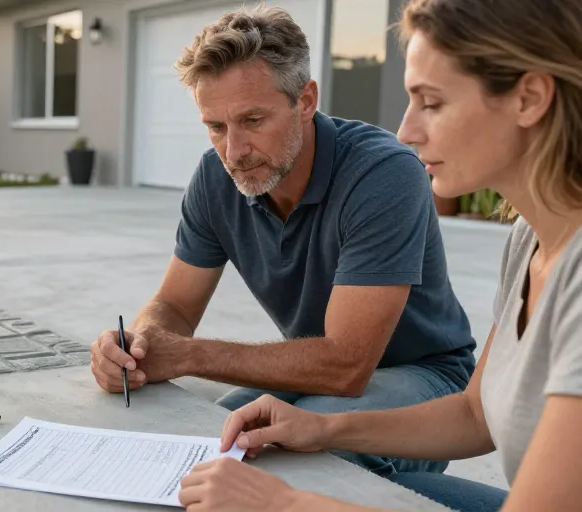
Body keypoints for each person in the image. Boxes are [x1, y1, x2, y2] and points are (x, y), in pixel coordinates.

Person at [177, 0, 582, 510]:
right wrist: (323, 427)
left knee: (298, 482)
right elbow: (474, 418)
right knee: (250, 446)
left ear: (529, 98)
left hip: (423, 376)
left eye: (431, 102)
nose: (407, 131)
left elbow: (346, 366)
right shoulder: (531, 237)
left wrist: (284, 504)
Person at [89, 4, 476, 477]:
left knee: (292, 462)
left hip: (424, 378)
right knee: (211, 438)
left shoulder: (383, 173)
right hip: (310, 375)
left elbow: (345, 366)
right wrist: (139, 347)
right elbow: (175, 305)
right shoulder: (216, 178)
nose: (233, 151)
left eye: (253, 120)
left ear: (306, 100)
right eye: (216, 127)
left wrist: (188, 355)